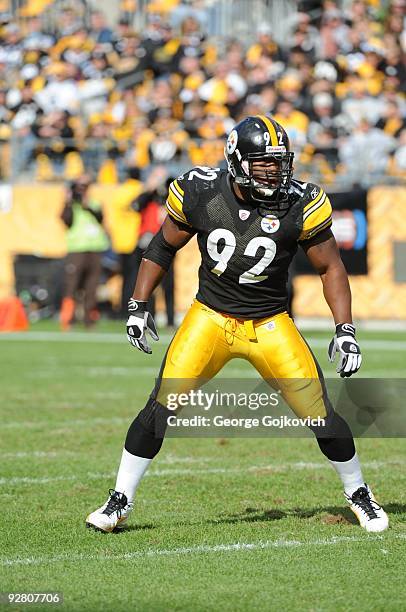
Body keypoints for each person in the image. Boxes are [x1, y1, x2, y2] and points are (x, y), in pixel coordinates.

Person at [86, 115, 388, 533]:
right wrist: (138, 305)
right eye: (263, 162)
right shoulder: (202, 192)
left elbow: (331, 268)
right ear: (236, 160)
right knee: (160, 408)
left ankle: (359, 493)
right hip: (210, 318)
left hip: (270, 324)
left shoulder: (299, 201)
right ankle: (119, 500)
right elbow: (161, 247)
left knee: (321, 415)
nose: (275, 171)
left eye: (280, 162)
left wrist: (345, 330)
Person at [60, 174, 109, 330]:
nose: (82, 191)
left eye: (85, 187)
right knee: (72, 286)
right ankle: (68, 320)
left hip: (95, 250)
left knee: (92, 287)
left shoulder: (94, 204)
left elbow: (100, 218)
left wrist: (86, 205)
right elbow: (66, 220)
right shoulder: (70, 206)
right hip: (77, 250)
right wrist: (68, 201)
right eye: (79, 187)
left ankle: (90, 320)